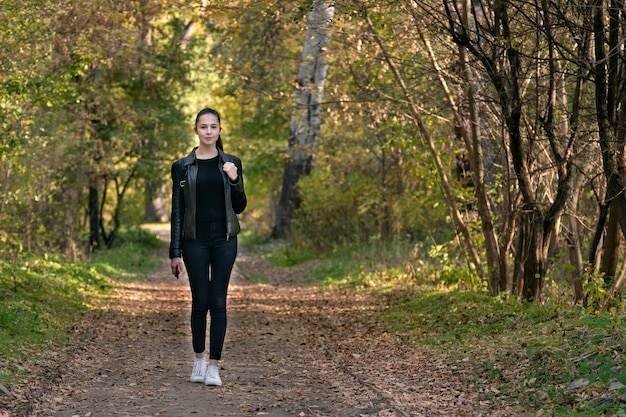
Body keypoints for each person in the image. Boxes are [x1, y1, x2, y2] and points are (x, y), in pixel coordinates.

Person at [169, 107, 247, 386]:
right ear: (196, 130)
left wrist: (235, 179)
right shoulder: (182, 166)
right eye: (204, 127)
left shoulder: (231, 162)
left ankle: (215, 366)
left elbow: (240, 206)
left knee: (219, 301)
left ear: (220, 131)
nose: (209, 131)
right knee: (200, 301)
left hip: (225, 240)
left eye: (214, 127)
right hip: (194, 241)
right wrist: (174, 252)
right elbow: (177, 210)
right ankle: (199, 361)